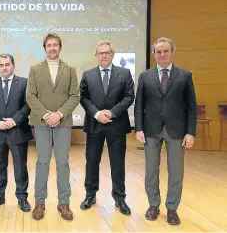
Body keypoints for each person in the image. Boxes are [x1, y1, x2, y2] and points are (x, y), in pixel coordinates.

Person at [135, 37, 197, 225]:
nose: (162, 54)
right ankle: (153, 205)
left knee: (176, 171)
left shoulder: (184, 76)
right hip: (151, 131)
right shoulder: (145, 76)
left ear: (172, 52)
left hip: (176, 131)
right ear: (153, 54)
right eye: (158, 51)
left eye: (166, 51)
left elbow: (191, 107)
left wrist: (190, 132)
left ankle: (172, 208)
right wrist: (138, 129)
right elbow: (139, 105)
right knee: (151, 171)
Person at [26, 33, 79, 221]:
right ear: (44, 48)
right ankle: (39, 203)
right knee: (42, 162)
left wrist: (59, 114)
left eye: (55, 45)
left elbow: (75, 96)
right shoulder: (35, 69)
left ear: (60, 47)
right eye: (49, 45)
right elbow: (30, 95)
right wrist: (48, 115)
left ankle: (64, 202)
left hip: (63, 122)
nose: (52, 48)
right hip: (41, 122)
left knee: (63, 162)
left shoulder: (71, 70)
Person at [79, 41, 135, 215]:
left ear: (112, 55)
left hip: (116, 125)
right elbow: (83, 97)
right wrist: (97, 114)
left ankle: (120, 198)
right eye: (100, 53)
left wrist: (111, 113)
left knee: (117, 164)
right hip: (94, 124)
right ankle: (90, 195)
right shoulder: (88, 75)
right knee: (92, 162)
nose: (104, 55)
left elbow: (129, 96)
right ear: (96, 56)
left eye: (107, 52)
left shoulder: (124, 73)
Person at [0, 53, 33, 212]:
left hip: (18, 132)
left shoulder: (24, 83)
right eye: (1, 65)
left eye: (7, 64)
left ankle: (22, 198)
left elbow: (28, 106)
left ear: (13, 65)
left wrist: (13, 121)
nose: (4, 67)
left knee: (20, 168)